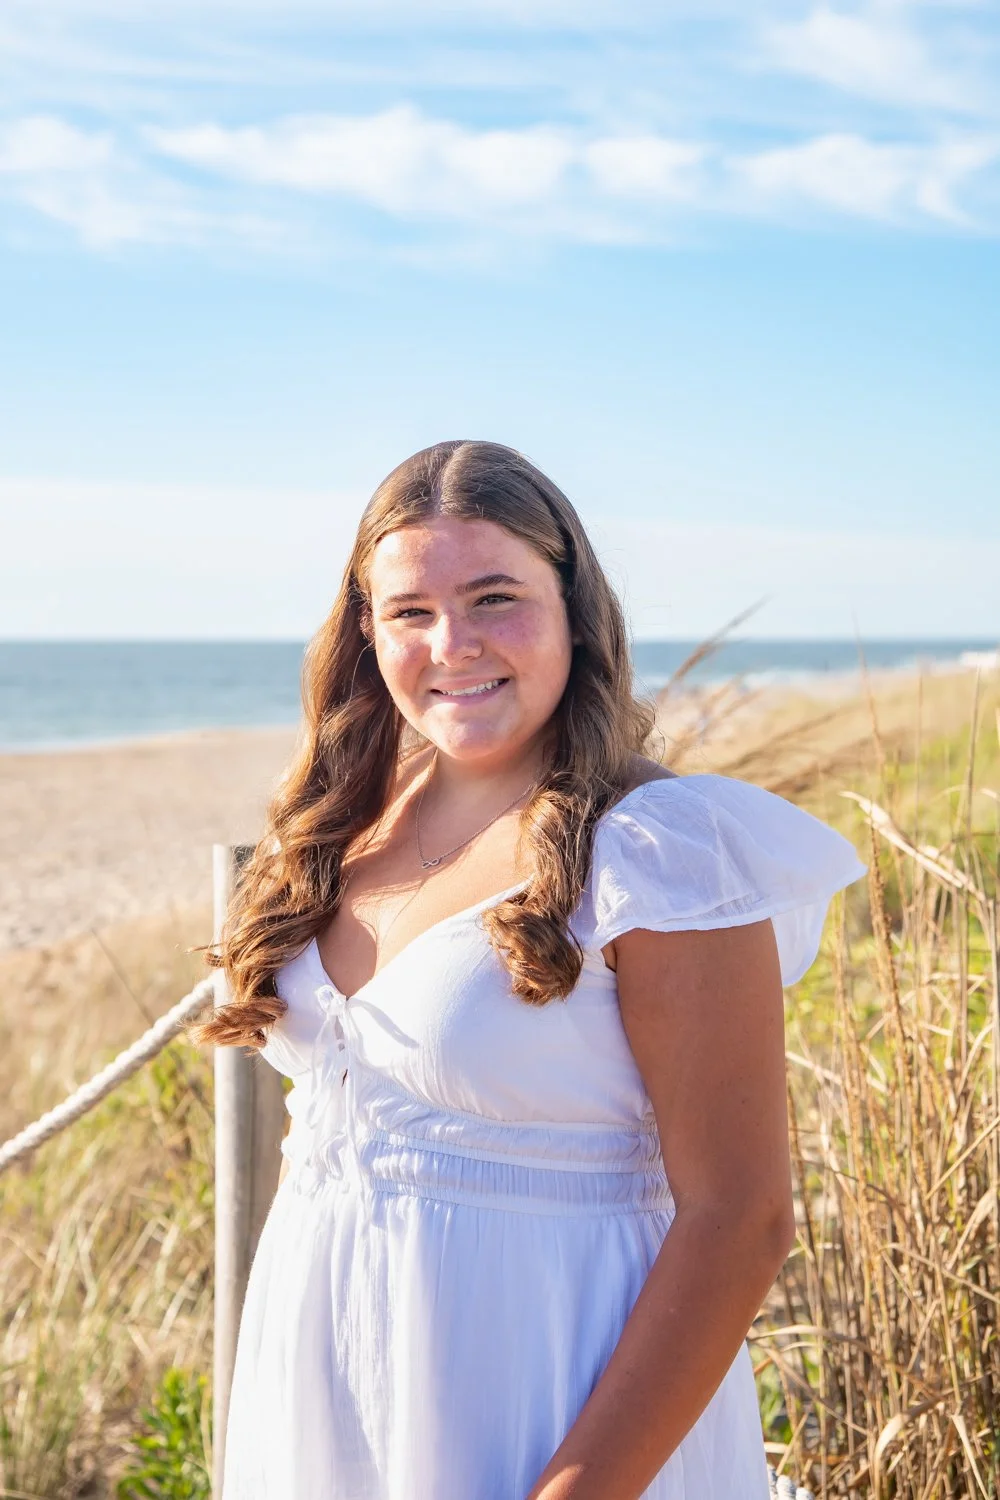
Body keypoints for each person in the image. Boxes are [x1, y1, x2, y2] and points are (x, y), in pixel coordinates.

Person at [196, 439, 865, 1500]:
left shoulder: (661, 850)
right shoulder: (336, 839)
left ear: (573, 607)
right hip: (326, 1404)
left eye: (493, 597)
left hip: (551, 1406)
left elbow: (741, 1218)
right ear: (366, 631)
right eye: (409, 611)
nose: (451, 644)